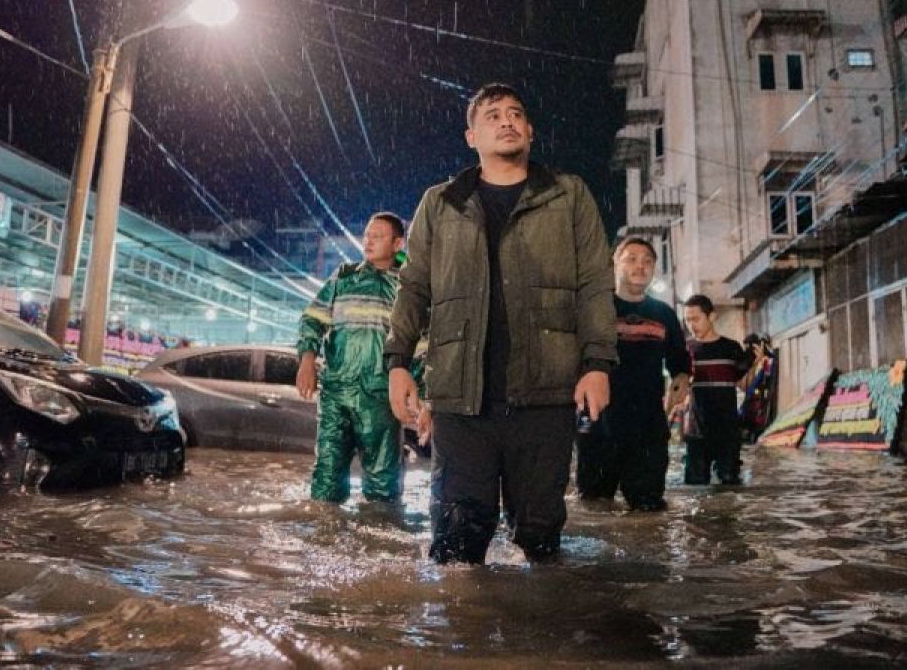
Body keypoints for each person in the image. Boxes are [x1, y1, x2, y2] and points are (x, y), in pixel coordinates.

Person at [385, 82, 617, 564]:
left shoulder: (568, 195)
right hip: (462, 399)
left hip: (545, 394)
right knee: (455, 543)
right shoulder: (441, 202)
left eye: (515, 114)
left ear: (530, 131)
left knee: (539, 536)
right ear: (471, 136)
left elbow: (595, 282)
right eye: (492, 116)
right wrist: (398, 362)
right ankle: (463, 630)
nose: (506, 121)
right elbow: (414, 286)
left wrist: (597, 362)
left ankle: (533, 635)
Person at [296, 212, 410, 503]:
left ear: (398, 243)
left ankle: (378, 542)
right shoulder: (344, 278)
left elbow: (421, 345)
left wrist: (420, 396)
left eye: (378, 236)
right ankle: (324, 540)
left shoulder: (409, 287)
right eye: (367, 235)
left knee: (383, 487)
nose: (368, 241)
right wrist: (307, 359)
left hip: (381, 400)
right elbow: (312, 318)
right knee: (326, 481)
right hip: (336, 395)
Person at [576, 237, 690, 511]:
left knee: (648, 509)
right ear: (614, 262)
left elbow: (679, 363)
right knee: (593, 506)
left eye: (648, 261)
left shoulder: (663, 314)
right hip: (597, 425)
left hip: (647, 428)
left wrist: (682, 381)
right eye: (631, 258)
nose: (640, 266)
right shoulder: (595, 310)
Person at [676, 294, 752, 485]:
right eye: (687, 320)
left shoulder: (731, 348)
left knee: (730, 485)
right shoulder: (685, 350)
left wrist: (754, 363)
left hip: (727, 431)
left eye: (696, 319)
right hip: (696, 432)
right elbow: (679, 388)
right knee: (695, 487)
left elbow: (743, 385)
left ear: (711, 317)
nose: (691, 325)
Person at [739, 334, 776, 443]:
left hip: (758, 414)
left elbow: (758, 386)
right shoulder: (752, 365)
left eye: (750, 349)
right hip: (749, 414)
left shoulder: (767, 362)